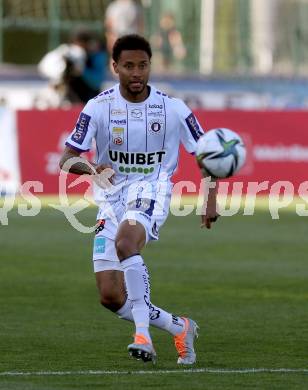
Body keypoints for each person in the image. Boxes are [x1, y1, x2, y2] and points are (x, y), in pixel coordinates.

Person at [59, 34, 219, 364]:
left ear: (150, 66)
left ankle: (142, 336)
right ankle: (179, 327)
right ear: (115, 67)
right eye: (128, 66)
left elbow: (208, 153)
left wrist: (210, 198)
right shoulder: (98, 107)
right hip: (110, 198)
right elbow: (67, 158)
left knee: (126, 242)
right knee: (110, 296)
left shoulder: (173, 108)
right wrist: (91, 167)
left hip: (152, 190)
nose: (136, 73)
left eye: (142, 65)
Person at [38, 29, 107, 105]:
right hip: (70, 97)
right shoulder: (66, 52)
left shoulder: (96, 56)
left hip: (88, 99)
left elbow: (96, 82)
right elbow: (44, 68)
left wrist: (82, 70)